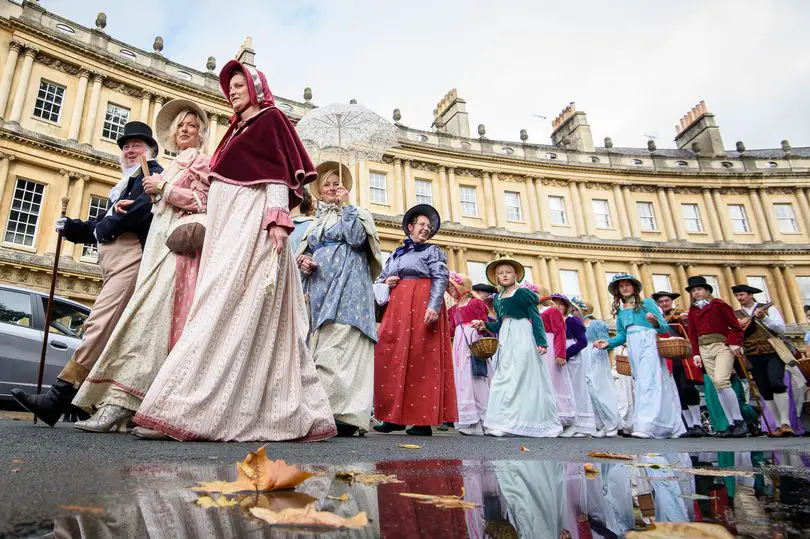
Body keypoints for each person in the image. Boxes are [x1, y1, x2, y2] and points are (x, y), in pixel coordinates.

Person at [132, 59, 335, 442]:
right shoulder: (235, 130)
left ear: (257, 86)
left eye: (241, 84)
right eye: (232, 87)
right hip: (226, 229)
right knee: (221, 307)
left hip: (251, 225)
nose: (234, 90)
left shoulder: (270, 120)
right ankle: (202, 406)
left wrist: (277, 216)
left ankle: (184, 409)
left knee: (224, 306)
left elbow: (277, 170)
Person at [71, 100, 212, 433]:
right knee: (149, 323)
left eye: (192, 125)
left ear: (201, 133)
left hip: (179, 253)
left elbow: (206, 202)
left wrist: (165, 190)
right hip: (154, 247)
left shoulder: (203, 162)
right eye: (180, 125)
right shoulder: (170, 165)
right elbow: (153, 209)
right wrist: (129, 205)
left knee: (154, 323)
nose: (185, 130)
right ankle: (134, 407)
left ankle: (133, 407)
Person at [11, 122, 163, 426]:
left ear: (151, 150)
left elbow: (137, 214)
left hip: (130, 258)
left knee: (98, 324)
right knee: (112, 335)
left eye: (137, 145)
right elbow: (100, 225)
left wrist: (105, 224)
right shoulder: (124, 183)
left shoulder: (152, 173)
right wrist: (73, 228)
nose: (130, 151)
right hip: (111, 261)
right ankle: (94, 403)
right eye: (126, 146)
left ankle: (59, 396)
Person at [295, 161, 383, 437]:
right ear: (319, 191)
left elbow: (357, 240)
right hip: (320, 287)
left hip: (349, 287)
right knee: (320, 345)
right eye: (327, 184)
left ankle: (345, 414)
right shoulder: (316, 220)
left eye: (337, 183)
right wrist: (303, 260)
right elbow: (304, 248)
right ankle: (321, 409)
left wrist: (347, 209)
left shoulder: (358, 213)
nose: (332, 188)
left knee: (342, 342)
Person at [372, 204, 456, 436]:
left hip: (421, 304)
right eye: (421, 224)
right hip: (397, 308)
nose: (425, 229)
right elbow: (381, 277)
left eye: (428, 226)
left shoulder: (433, 251)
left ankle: (422, 422)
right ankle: (393, 417)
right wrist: (385, 282)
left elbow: (440, 277)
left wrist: (434, 306)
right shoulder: (397, 253)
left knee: (422, 359)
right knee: (391, 355)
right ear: (410, 226)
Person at [470, 258, 562, 437]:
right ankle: (504, 423)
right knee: (504, 377)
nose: (504, 275)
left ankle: (526, 423)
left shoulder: (523, 293)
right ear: (496, 278)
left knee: (522, 377)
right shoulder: (497, 299)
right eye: (500, 273)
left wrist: (541, 341)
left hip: (522, 335)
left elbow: (535, 317)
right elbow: (499, 324)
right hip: (506, 338)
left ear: (515, 275)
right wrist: (484, 325)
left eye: (508, 272)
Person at [593, 273, 685, 439]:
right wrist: (608, 343)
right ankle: (667, 425)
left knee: (650, 382)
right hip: (633, 345)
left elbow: (664, 327)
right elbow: (622, 335)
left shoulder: (647, 303)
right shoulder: (620, 311)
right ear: (617, 291)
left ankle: (646, 425)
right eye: (621, 286)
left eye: (628, 285)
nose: (625, 288)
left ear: (634, 287)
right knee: (642, 384)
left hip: (648, 341)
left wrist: (655, 322)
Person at [684, 276, 747, 438]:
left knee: (721, 381)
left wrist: (734, 343)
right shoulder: (693, 310)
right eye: (693, 290)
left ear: (707, 291)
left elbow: (735, 327)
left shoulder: (719, 305)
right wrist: (696, 353)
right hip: (704, 349)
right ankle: (731, 423)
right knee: (717, 385)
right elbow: (692, 333)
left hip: (721, 345)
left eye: (699, 289)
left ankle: (739, 420)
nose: (696, 292)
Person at [732, 284, 794, 436]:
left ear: (750, 295)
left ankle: (786, 423)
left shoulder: (767, 309)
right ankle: (778, 425)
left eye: (742, 295)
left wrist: (764, 318)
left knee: (776, 382)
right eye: (737, 296)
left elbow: (781, 329)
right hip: (752, 353)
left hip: (772, 350)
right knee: (764, 388)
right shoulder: (735, 314)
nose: (740, 298)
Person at [652, 290, 705, 438]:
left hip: (682, 357)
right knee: (677, 392)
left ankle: (698, 424)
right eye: (661, 302)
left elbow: (689, 332)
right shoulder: (658, 319)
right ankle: (688, 425)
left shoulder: (681, 315)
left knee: (688, 388)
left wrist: (685, 320)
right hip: (667, 358)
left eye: (667, 301)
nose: (664, 304)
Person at [447, 272, 491, 436]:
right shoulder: (453, 309)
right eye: (449, 287)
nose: (451, 290)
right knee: (462, 379)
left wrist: (480, 328)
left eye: (453, 286)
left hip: (473, 341)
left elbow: (484, 323)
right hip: (458, 345)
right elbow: (450, 330)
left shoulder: (476, 303)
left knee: (476, 379)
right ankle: (468, 420)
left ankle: (483, 421)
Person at [552, 293, 596, 437]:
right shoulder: (553, 320)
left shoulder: (572, 321)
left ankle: (579, 424)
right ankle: (566, 420)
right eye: (554, 304)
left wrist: (565, 353)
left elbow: (582, 342)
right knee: (562, 389)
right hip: (557, 355)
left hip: (571, 356)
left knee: (575, 388)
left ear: (566, 307)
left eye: (560, 304)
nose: (557, 307)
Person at [574, 298, 620, 437]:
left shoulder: (596, 324)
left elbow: (605, 342)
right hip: (583, 357)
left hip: (596, 356)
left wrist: (599, 346)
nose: (574, 312)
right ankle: (598, 424)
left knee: (600, 388)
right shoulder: (577, 325)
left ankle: (611, 423)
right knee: (589, 391)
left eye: (576, 309)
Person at [538, 291, 576, 430]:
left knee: (555, 380)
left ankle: (562, 416)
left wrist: (560, 354)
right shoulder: (533, 311)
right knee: (543, 382)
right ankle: (545, 415)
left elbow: (559, 332)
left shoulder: (552, 310)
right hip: (539, 348)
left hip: (550, 346)